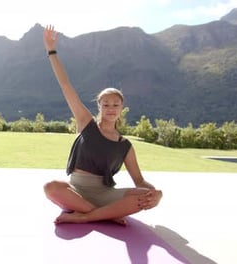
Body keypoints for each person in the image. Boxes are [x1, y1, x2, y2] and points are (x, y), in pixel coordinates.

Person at [42, 25, 162, 225]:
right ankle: (107, 214)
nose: (110, 108)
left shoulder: (125, 145)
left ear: (122, 107)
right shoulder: (86, 123)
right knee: (51, 187)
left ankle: (86, 216)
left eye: (115, 104)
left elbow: (139, 182)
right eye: (105, 104)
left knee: (145, 196)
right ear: (99, 106)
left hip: (106, 194)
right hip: (76, 191)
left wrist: (157, 194)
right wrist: (51, 50)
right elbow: (66, 85)